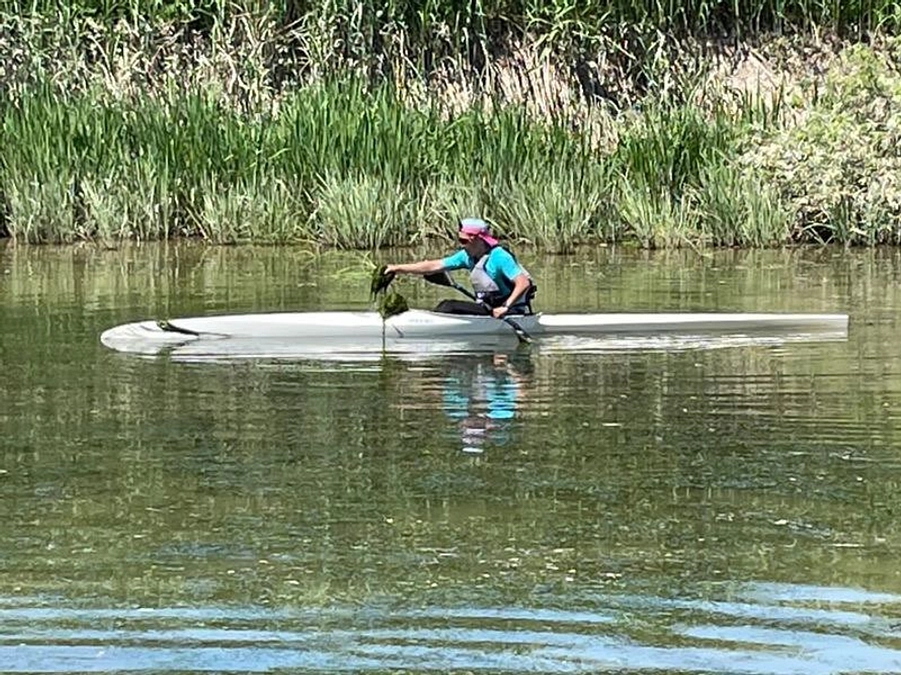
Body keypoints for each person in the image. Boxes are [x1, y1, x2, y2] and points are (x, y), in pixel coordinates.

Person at [386, 218, 535, 317]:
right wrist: (397, 268)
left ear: (477, 239)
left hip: (510, 311)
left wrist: (505, 307)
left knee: (449, 306)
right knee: (447, 305)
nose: (461, 245)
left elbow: (523, 283)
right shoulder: (466, 256)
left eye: (463, 241)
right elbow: (433, 265)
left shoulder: (500, 256)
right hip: (489, 308)